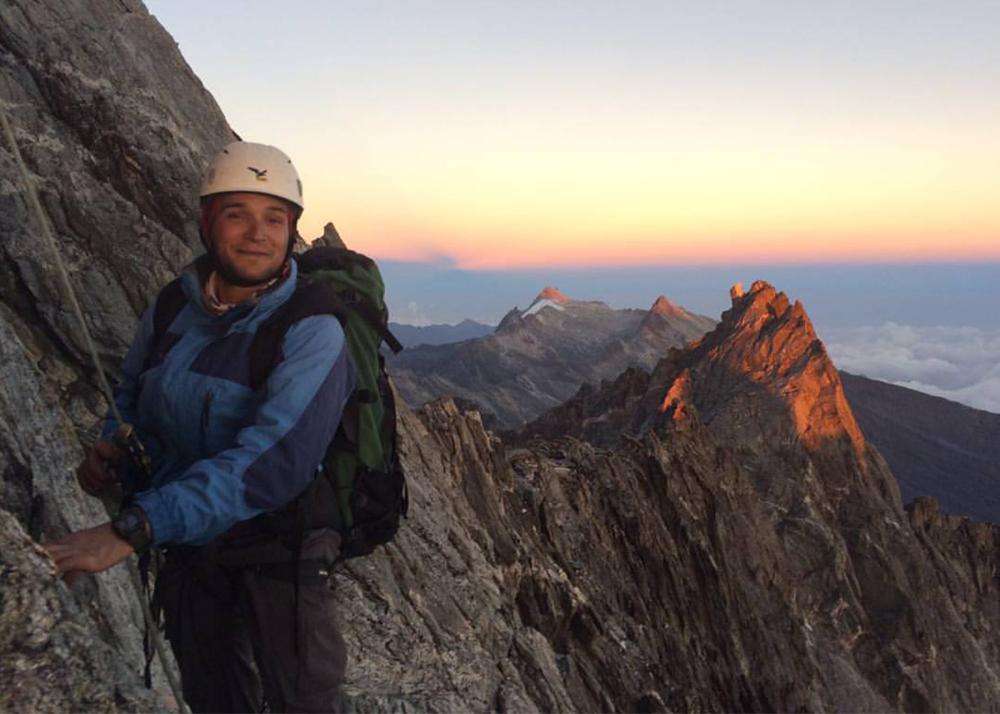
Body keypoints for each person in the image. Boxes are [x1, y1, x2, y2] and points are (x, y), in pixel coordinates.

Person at [44, 142, 355, 713]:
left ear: (292, 233)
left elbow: (272, 466)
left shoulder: (313, 330)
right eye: (237, 213)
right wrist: (112, 441)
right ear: (208, 222)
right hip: (189, 542)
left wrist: (131, 529)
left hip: (279, 543)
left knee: (303, 702)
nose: (257, 233)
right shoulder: (173, 306)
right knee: (215, 697)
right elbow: (133, 392)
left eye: (274, 218)